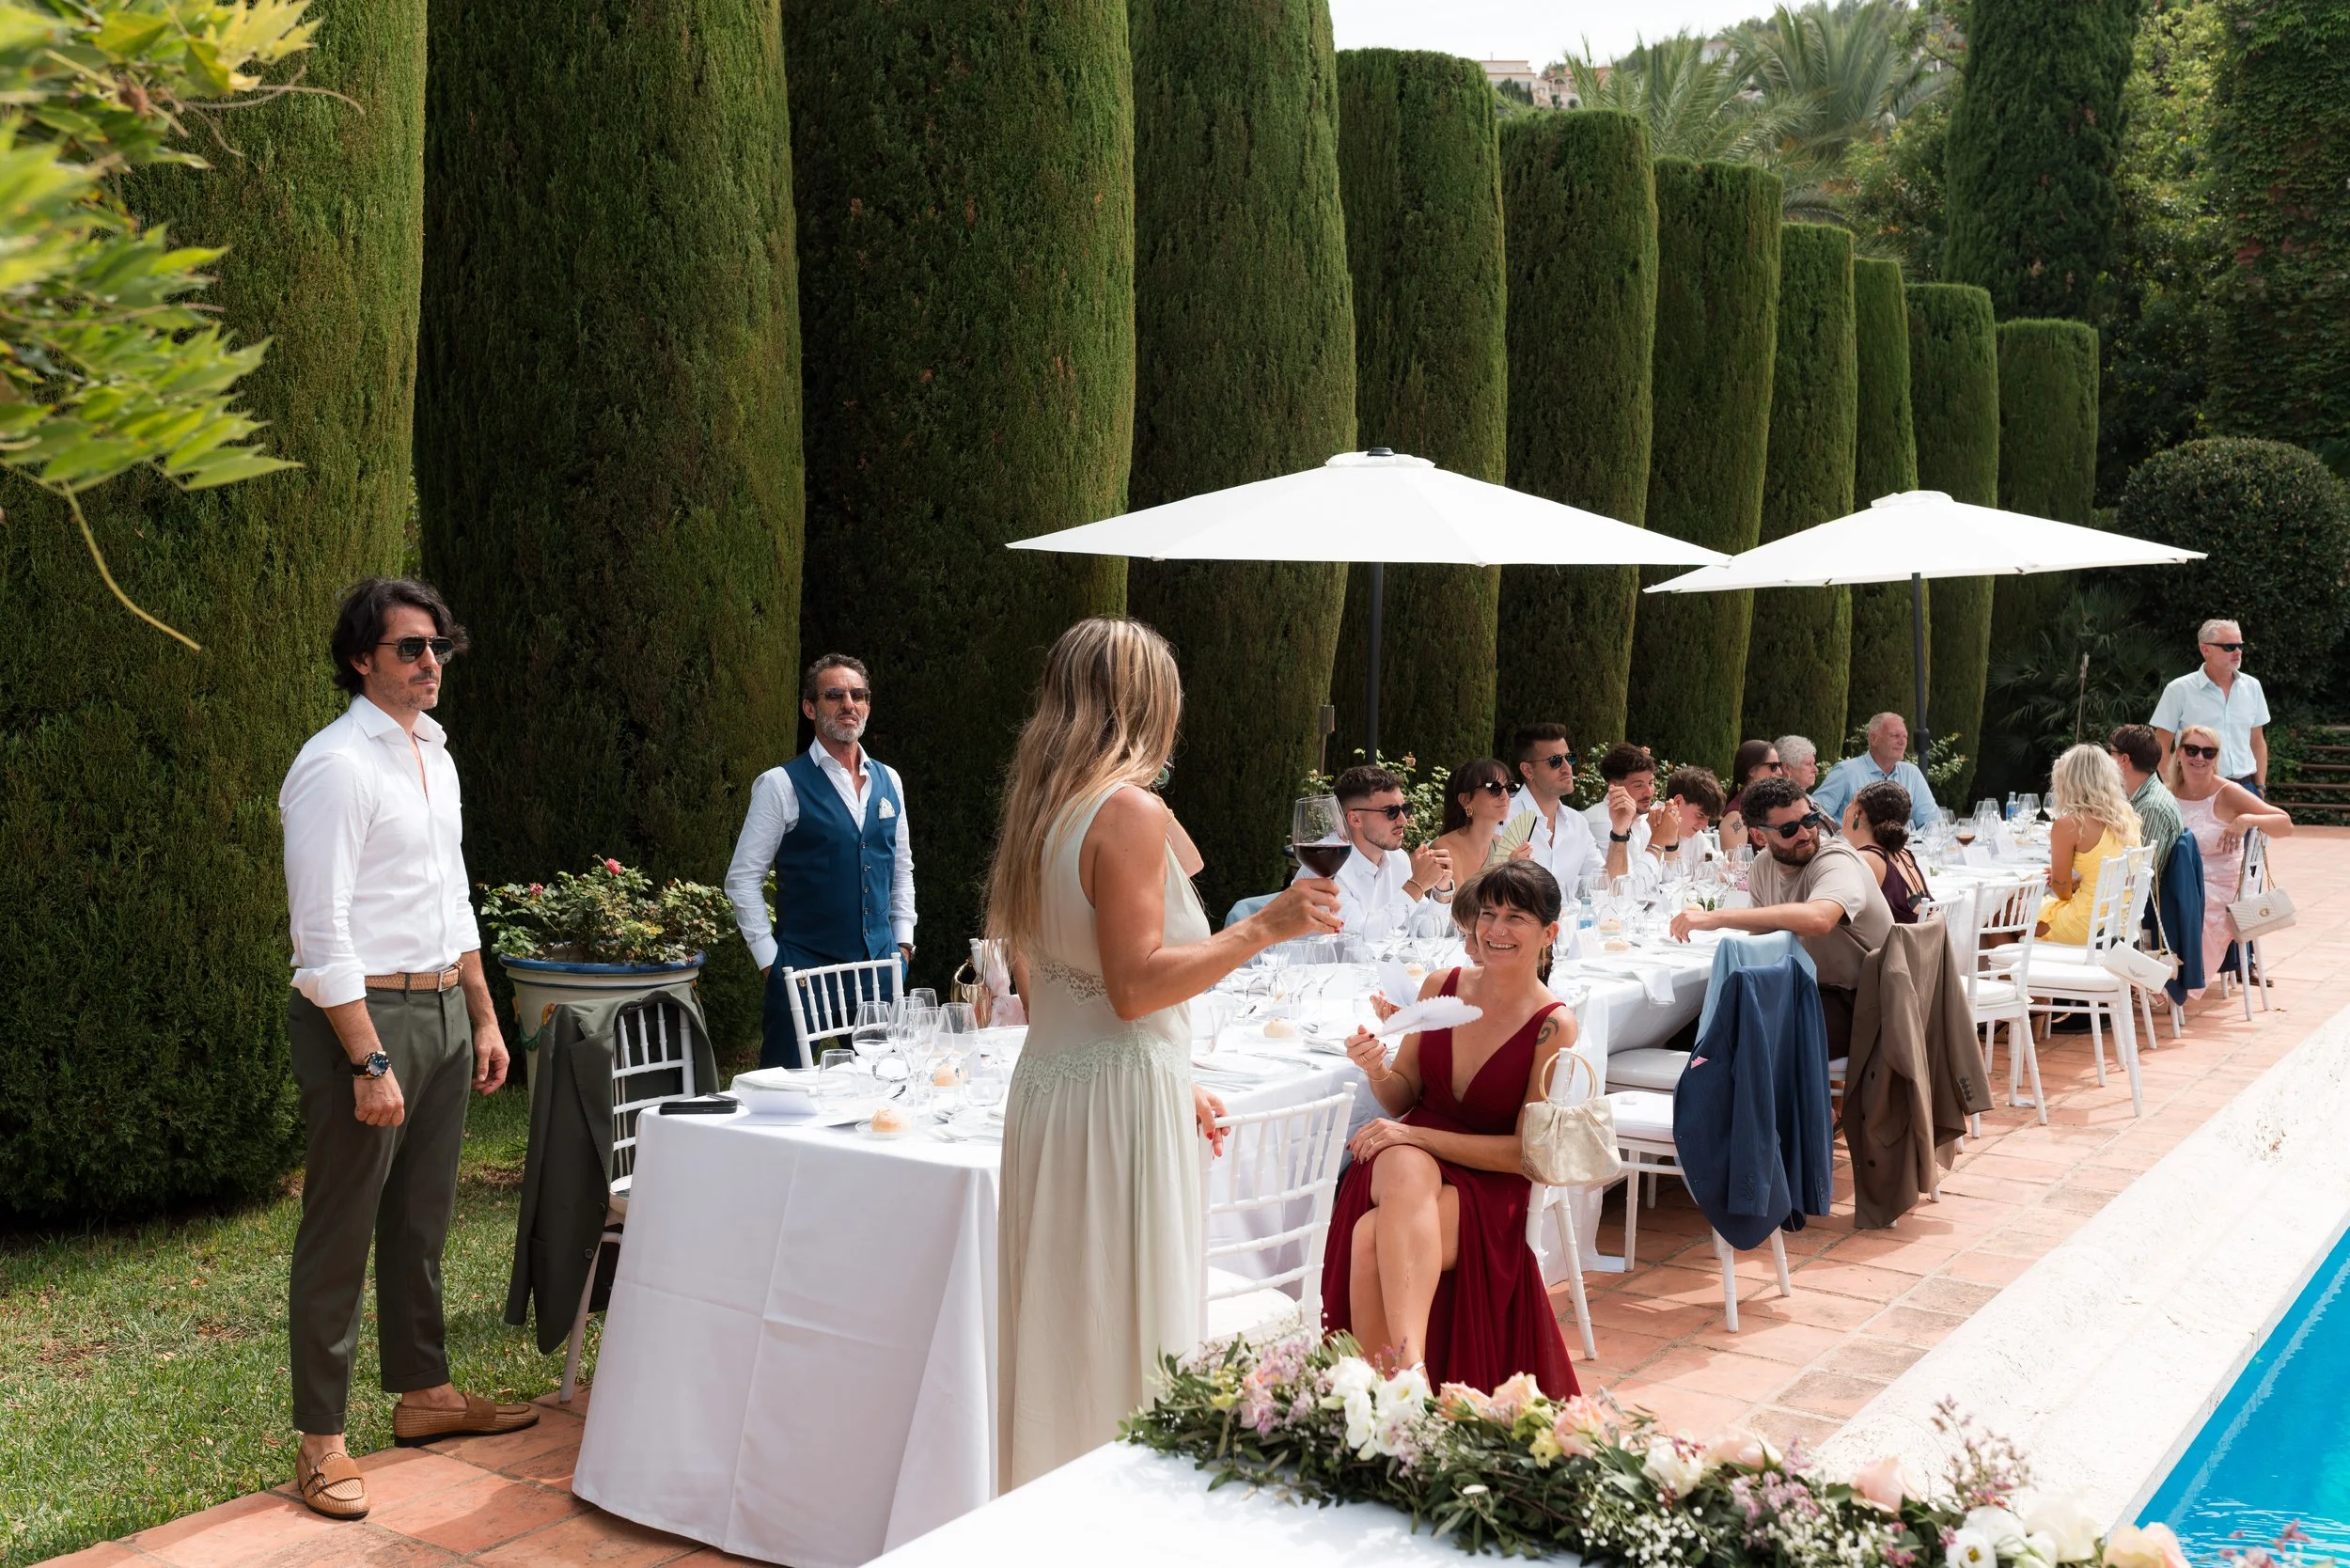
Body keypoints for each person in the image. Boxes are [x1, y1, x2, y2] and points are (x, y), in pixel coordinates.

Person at [988, 618, 1341, 1488]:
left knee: (1064, 1326)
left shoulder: (1040, 808)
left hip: (1052, 1093)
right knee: (1124, 1326)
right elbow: (1135, 986)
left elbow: (1044, 980)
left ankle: (1051, 1505)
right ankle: (1126, 1512)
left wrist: (1172, 1076)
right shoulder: (1127, 812)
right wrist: (1265, 925)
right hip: (1116, 1104)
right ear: (1150, 702)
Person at [277, 579, 534, 1521]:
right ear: (361, 660)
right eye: (410, 648)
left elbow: (450, 898)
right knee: (341, 1229)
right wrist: (367, 1059)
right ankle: (321, 1440)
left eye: (438, 647)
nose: (431, 663)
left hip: (442, 1008)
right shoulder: (336, 766)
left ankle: (424, 1393)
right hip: (363, 1017)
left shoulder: (434, 755)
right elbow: (321, 932)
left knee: (422, 1220)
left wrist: (483, 1015)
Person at [1321, 859, 1581, 1396]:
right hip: (1406, 1172)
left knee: (1371, 1236)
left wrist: (1415, 1135)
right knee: (1402, 1162)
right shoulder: (1442, 985)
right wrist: (1376, 1069)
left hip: (1489, 1182)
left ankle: (1384, 1396)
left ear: (1549, 933)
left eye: (1515, 918)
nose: (1495, 930)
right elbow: (1402, 1095)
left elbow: (1525, 1155)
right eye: (1488, 914)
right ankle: (1412, 1372)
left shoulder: (1552, 1025)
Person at [726, 653, 916, 1069]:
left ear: (867, 706)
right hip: (803, 971)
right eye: (834, 695)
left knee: (882, 1086)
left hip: (879, 968)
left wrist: (902, 944)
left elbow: (900, 868)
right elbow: (742, 879)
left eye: (858, 695)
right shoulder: (780, 785)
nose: (849, 704)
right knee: (786, 1089)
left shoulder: (889, 780)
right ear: (810, 708)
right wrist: (770, 962)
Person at [1668, 774, 1892, 1060]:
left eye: (1810, 820)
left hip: (1863, 1002)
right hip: (1808, 991)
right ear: (1759, 836)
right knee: (1689, 1033)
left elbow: (1820, 919)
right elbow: (1764, 951)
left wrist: (1718, 918)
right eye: (1788, 829)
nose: (1805, 834)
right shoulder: (1763, 865)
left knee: (1742, 1040)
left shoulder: (1836, 859)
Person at [2169, 722, 2294, 987]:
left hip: (2221, 885)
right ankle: (2151, 977)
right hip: (2179, 880)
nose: (2199, 757)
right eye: (2192, 750)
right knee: (2149, 904)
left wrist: (2246, 819)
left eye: (2208, 752)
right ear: (2179, 754)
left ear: (2216, 759)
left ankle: (2178, 983)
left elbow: (2285, 824)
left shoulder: (2228, 793)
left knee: (2189, 907)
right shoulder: (2169, 793)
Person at [1292, 763, 1451, 939]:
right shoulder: (1324, 865)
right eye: (1391, 811)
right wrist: (1416, 885)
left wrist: (1441, 889)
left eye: (1405, 809)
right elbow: (1360, 938)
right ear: (1355, 819)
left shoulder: (1398, 860)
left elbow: (1427, 935)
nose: (1404, 820)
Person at [2036, 745, 2142, 944]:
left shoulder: (2068, 825)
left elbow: (2061, 889)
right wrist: (2076, 882)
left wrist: (2064, 883)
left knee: (1997, 918)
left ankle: (2022, 965)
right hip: (2118, 922)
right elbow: (2109, 874)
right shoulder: (2127, 817)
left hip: (2087, 924)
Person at [2152, 618, 2269, 793]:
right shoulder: (2179, 690)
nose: (2238, 652)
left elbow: (2257, 741)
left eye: (2240, 646)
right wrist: (2173, 787)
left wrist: (2260, 786)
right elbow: (2161, 743)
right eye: (2229, 647)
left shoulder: (2252, 686)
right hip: (2198, 789)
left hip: (2247, 788)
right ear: (2205, 649)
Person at [1506, 724, 1604, 895]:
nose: (1567, 768)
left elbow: (1603, 884)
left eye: (1569, 758)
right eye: (1555, 761)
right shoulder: (1503, 819)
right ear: (1528, 770)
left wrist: (1619, 834)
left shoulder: (1577, 823)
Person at [1811, 712, 1937, 833]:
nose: (1902, 742)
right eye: (1895, 735)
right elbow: (1815, 813)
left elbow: (1932, 822)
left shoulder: (1912, 774)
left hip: (1903, 846)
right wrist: (1841, 837)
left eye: (1905, 736)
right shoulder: (1846, 772)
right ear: (1873, 738)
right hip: (1853, 846)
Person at [1842, 780, 1929, 924]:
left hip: (1888, 939)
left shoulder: (1865, 860)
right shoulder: (1904, 854)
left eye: (1851, 803)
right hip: (1919, 936)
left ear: (1858, 812)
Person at [2108, 723, 2184, 873]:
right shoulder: (2139, 794)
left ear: (2124, 759)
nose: (2108, 759)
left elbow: (2139, 876)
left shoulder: (2151, 808)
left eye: (2111, 753)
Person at [1429, 757, 1519, 882]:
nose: (1505, 796)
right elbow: (1461, 896)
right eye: (1494, 788)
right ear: (1465, 800)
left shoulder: (1505, 847)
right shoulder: (1444, 850)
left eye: (1510, 787)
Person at [1582, 743, 1657, 873]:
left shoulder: (1641, 821)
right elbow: (1619, 882)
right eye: (1638, 785)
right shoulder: (1601, 822)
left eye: (1650, 783)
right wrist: (1658, 841)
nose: (1649, 793)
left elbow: (1663, 876)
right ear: (1615, 787)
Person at [1719, 739, 1783, 841]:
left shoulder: (1768, 805)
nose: (1780, 772)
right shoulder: (1736, 816)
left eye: (1779, 765)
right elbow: (1735, 852)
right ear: (1751, 770)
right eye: (1774, 766)